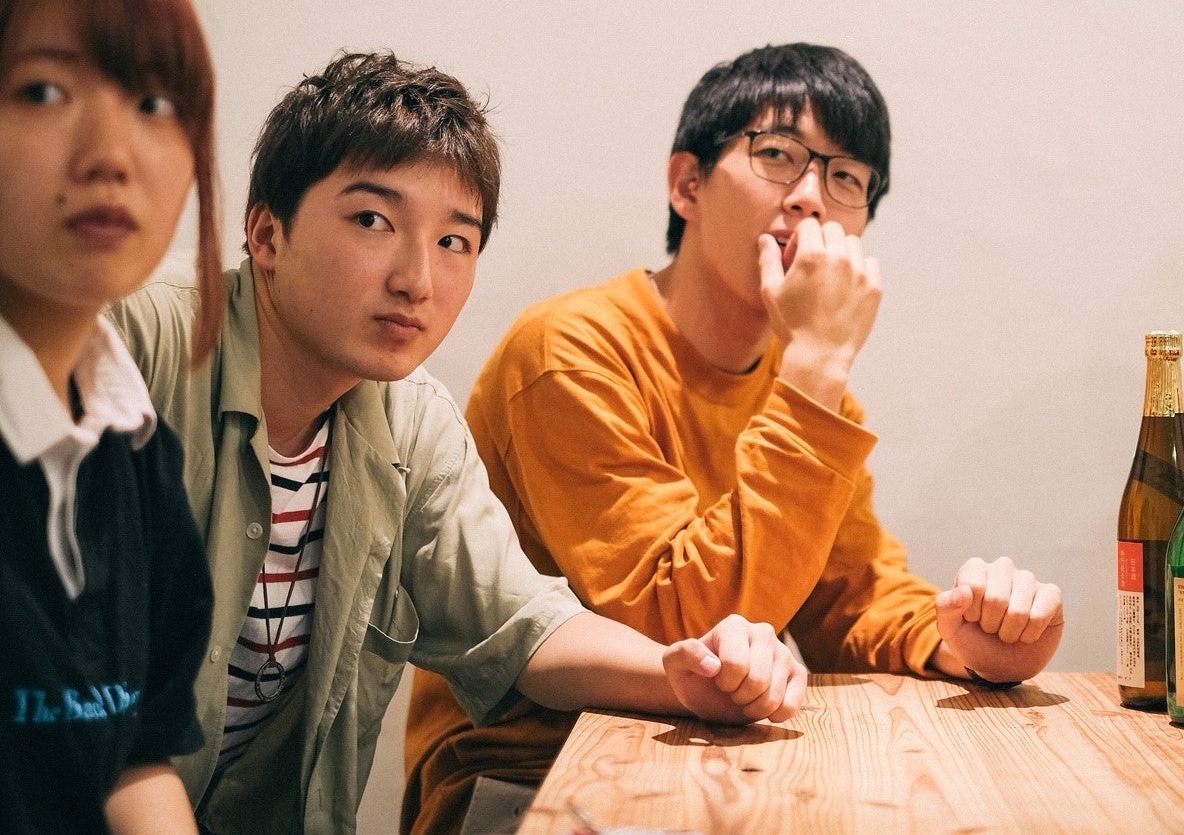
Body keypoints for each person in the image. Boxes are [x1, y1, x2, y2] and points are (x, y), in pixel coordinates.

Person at [107, 50, 806, 835]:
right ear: (267, 233)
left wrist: (684, 673)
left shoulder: (411, 421)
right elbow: (77, 690)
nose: (418, 279)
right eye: (373, 221)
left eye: (454, 241)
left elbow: (522, 626)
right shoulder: (131, 342)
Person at [403, 42, 1068, 833]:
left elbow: (848, 599)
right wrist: (817, 367)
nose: (812, 199)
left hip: (706, 769)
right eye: (778, 155)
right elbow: (676, 630)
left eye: (847, 177)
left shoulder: (803, 385)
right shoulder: (570, 352)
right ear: (687, 184)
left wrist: (967, 641)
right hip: (523, 780)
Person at [0, 0, 221, 834]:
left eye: (156, 103)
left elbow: (133, 755)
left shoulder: (131, 445)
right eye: (42, 91)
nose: (111, 154)